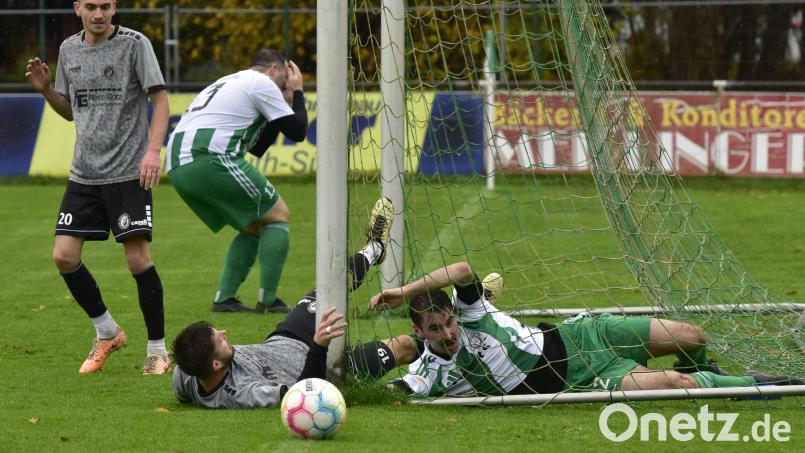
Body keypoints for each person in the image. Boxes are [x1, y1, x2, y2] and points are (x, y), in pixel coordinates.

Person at [368, 262, 803, 396]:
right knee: (676, 381)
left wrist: (402, 289)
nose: (447, 333)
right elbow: (398, 391)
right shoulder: (432, 374)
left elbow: (462, 269)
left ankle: (714, 373)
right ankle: (760, 384)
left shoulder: (472, 311)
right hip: (582, 378)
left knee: (692, 336)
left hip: (583, 335)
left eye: (447, 323)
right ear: (419, 332)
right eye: (435, 329)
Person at [24, 0, 170, 375]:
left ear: (114, 7)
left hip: (127, 173)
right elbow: (71, 109)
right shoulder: (69, 50)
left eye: (105, 6)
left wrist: (153, 151)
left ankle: (157, 350)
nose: (99, 14)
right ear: (77, 9)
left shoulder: (136, 44)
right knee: (64, 256)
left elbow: (160, 99)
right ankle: (107, 331)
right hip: (84, 174)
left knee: (138, 260)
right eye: (91, 6)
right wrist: (44, 90)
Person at [171, 198, 409, 408]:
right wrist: (318, 346)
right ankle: (412, 380)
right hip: (326, 370)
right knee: (404, 345)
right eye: (220, 339)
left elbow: (183, 375)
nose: (225, 333)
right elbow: (300, 394)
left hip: (288, 336)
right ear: (215, 364)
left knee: (332, 286)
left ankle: (374, 249)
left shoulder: (187, 373)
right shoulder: (244, 394)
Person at [166, 48, 308, 314]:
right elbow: (298, 131)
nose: (282, 88)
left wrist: (285, 103)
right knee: (278, 215)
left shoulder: (232, 80)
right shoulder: (264, 82)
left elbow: (258, 147)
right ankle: (269, 301)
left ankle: (225, 299)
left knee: (254, 224)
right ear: (274, 70)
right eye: (283, 82)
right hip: (207, 155)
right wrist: (298, 93)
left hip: (179, 163)